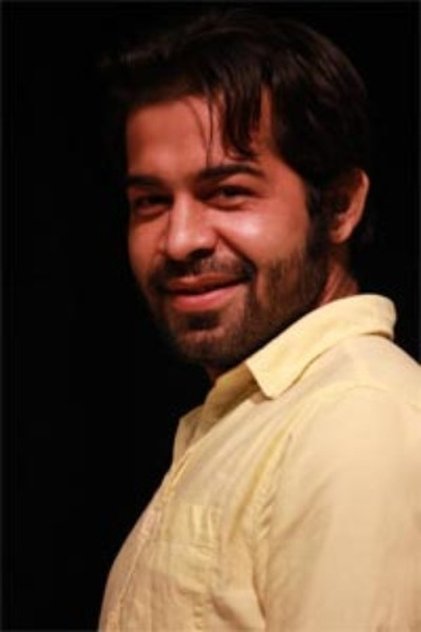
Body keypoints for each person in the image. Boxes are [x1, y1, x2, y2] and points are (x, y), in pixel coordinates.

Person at [98, 8, 421, 630]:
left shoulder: (356, 419)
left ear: (339, 206)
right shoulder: (267, 416)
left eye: (228, 192)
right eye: (151, 202)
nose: (180, 239)